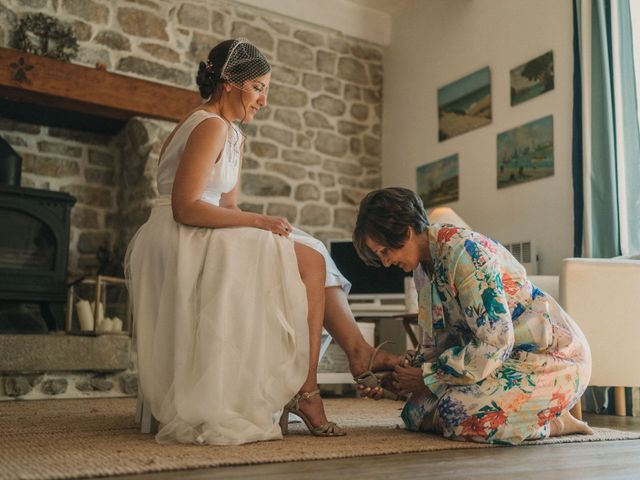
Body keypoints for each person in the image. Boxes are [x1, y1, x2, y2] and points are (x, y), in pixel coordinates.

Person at [125, 38, 396, 445]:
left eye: (265, 89)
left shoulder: (232, 134)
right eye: (259, 87)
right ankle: (310, 388)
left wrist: (259, 224)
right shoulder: (209, 125)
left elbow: (228, 204)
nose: (264, 100)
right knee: (309, 260)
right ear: (230, 82)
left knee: (312, 250)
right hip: (180, 235)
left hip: (207, 228)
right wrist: (259, 222)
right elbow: (184, 207)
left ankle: (346, 359)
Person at [352, 187, 593, 445]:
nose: (386, 263)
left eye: (384, 252)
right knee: (415, 413)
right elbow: (438, 343)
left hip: (550, 358)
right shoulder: (422, 271)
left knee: (455, 415)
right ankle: (529, 415)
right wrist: (399, 380)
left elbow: (495, 342)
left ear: (406, 232)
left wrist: (428, 376)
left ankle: (553, 423)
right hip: (499, 360)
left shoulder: (466, 253)